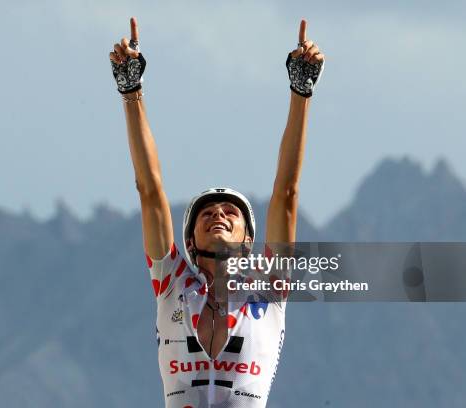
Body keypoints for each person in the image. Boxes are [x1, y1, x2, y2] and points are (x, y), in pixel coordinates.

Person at [109, 17, 324, 408]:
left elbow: (286, 193)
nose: (218, 214)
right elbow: (150, 192)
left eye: (231, 212)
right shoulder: (170, 280)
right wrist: (131, 91)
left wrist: (301, 92)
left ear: (248, 240)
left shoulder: (270, 286)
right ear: (188, 240)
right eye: (206, 213)